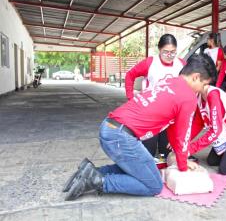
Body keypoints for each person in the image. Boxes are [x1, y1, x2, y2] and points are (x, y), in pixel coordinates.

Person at [63, 55, 217, 201]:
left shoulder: (169, 82)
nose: (202, 90)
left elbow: (173, 129)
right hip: (120, 136)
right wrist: (183, 167)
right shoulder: (188, 97)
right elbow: (182, 137)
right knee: (154, 186)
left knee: (145, 171)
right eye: (204, 85)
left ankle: (88, 172)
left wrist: (179, 157)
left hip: (109, 127)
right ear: (195, 77)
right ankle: (99, 181)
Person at [125, 34, 186, 158]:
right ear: (159, 49)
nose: (169, 56)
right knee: (147, 154)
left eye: (173, 52)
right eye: (166, 52)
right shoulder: (150, 62)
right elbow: (129, 76)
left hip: (170, 118)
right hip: (149, 115)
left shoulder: (182, 64)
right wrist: (131, 99)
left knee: (166, 154)